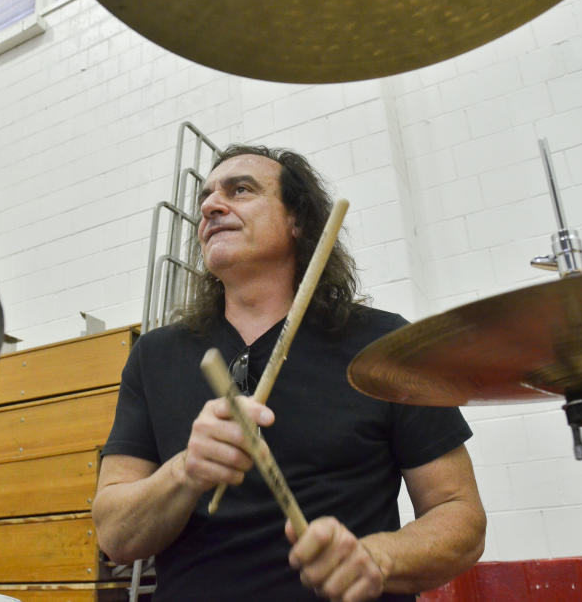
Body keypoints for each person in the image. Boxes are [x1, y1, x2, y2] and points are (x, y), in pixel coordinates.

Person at [92, 144, 486, 601]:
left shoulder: (384, 347)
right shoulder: (154, 355)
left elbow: (460, 515)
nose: (210, 206)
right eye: (206, 197)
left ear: (298, 220)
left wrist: (379, 558)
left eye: (240, 190)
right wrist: (185, 471)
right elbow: (115, 535)